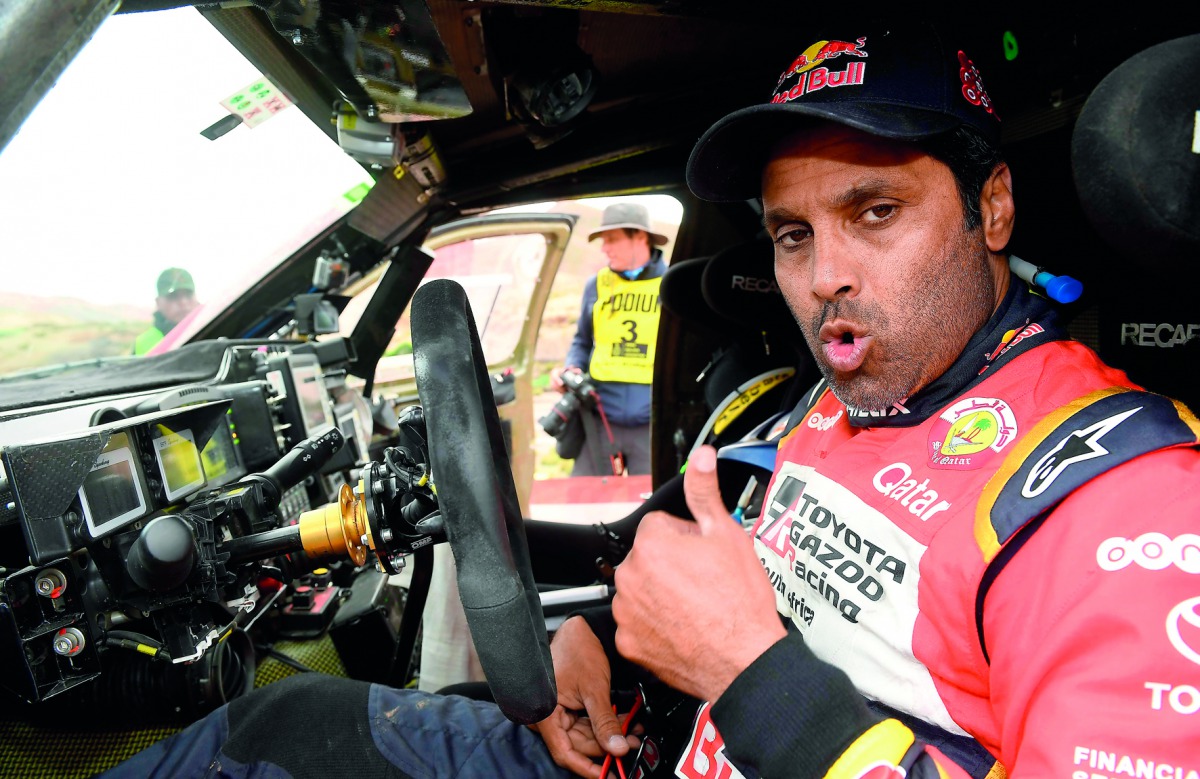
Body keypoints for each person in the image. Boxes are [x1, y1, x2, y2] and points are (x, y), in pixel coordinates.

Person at [98, 22, 1200, 779]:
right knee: (278, 726)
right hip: (643, 749)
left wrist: (749, 675)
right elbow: (727, 569)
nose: (826, 277)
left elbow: (755, 654)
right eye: (793, 234)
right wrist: (606, 647)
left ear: (992, 208)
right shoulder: (829, 397)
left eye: (875, 212)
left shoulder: (1120, 497)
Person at [550, 202, 669, 476]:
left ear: (640, 237)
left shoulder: (671, 284)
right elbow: (582, 340)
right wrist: (571, 368)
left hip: (651, 424)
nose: (605, 248)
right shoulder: (596, 284)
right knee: (584, 502)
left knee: (651, 509)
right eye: (604, 241)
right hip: (599, 420)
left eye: (612, 239)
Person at [133, 267, 199, 355]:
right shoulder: (143, 343)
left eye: (188, 294)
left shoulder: (215, 324)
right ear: (158, 302)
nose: (183, 302)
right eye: (173, 296)